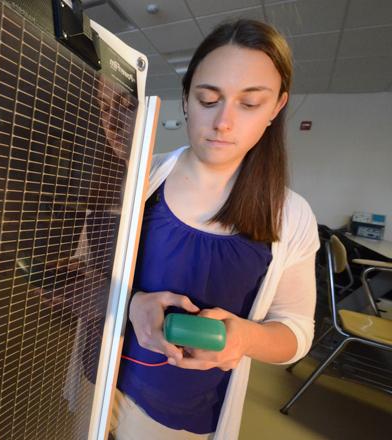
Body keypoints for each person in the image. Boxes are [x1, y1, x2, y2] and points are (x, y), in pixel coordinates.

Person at [110, 19, 320, 440]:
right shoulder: (137, 177)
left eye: (249, 104)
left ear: (276, 108)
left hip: (182, 417)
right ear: (186, 98)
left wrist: (243, 338)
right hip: (102, 382)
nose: (223, 122)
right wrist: (131, 304)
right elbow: (71, 272)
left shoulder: (292, 216)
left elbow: (296, 332)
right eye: (208, 100)